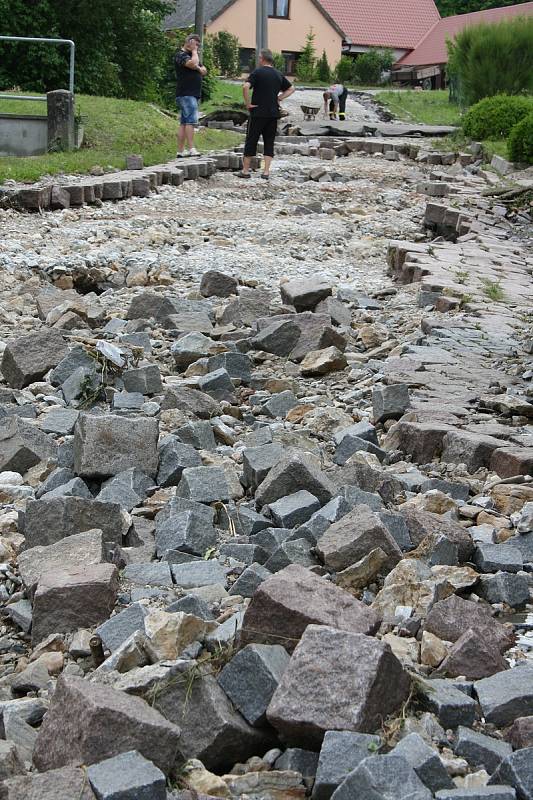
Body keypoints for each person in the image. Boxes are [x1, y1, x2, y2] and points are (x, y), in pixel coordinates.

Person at [239, 49, 295, 180]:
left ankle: (245, 171)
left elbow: (245, 87)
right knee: (269, 141)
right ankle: (266, 172)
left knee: (251, 140)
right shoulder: (278, 74)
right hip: (273, 113)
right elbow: (291, 88)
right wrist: (279, 98)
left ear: (262, 59)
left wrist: (248, 104)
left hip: (258, 112)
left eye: (259, 58)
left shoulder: (257, 72)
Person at [175, 33, 207, 158]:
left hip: (192, 94)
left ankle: (180, 151)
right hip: (186, 93)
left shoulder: (193, 56)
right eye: (195, 45)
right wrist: (194, 53)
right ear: (189, 42)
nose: (197, 48)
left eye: (198, 46)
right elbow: (193, 64)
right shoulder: (180, 55)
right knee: (191, 121)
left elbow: (204, 70)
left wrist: (197, 66)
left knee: (184, 122)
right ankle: (192, 148)